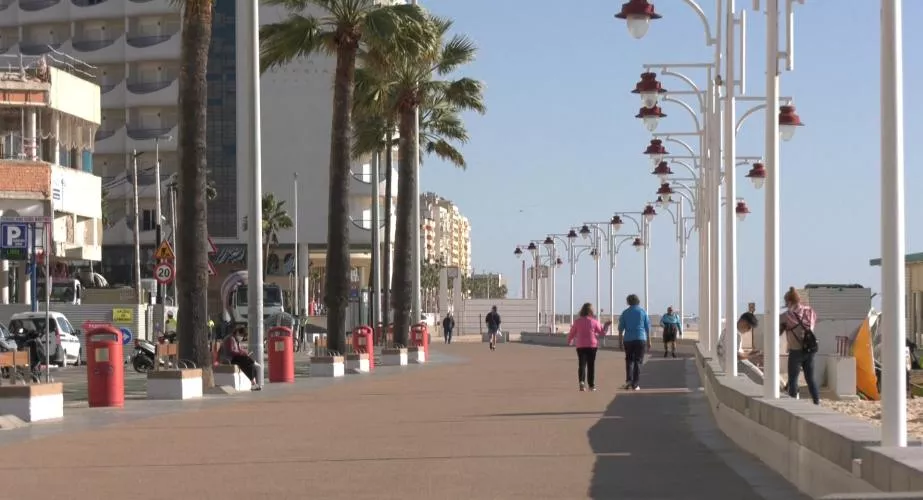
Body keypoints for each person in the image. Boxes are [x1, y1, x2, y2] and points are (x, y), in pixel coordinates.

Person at [780, 286, 819, 404]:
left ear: (789, 301)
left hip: (795, 351)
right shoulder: (810, 311)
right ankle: (817, 402)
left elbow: (777, 330)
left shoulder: (787, 316)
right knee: (810, 379)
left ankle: (793, 404)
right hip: (809, 350)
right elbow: (811, 326)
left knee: (793, 380)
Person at [567, 303, 611, 392]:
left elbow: (572, 333)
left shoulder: (577, 322)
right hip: (592, 345)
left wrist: (570, 340)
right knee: (591, 365)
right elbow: (602, 333)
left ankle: (582, 382)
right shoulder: (594, 321)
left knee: (582, 364)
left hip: (580, 345)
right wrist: (606, 325)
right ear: (591, 311)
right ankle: (591, 385)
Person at [618, 294, 651, 391]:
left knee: (629, 360)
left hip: (628, 340)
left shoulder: (625, 313)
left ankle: (629, 380)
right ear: (638, 301)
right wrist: (649, 341)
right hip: (640, 338)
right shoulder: (642, 312)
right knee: (638, 361)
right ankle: (635, 384)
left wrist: (620, 342)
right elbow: (647, 328)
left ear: (628, 302)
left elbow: (620, 329)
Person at [220, 327, 262, 391]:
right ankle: (253, 362)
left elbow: (239, 350)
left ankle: (254, 384)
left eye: (243, 336)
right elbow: (231, 351)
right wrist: (242, 353)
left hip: (235, 358)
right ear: (237, 332)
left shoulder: (235, 340)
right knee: (244, 360)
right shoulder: (230, 339)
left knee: (249, 365)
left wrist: (244, 352)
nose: (241, 337)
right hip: (229, 358)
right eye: (241, 335)